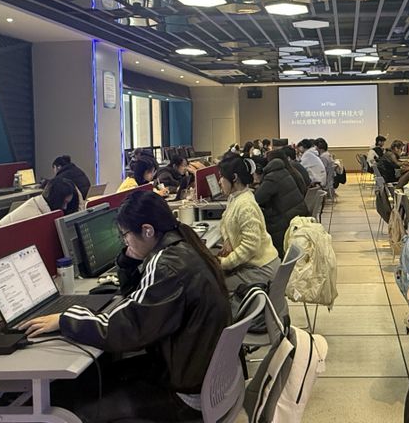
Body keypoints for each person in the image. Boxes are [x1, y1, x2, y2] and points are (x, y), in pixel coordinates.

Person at [19, 191, 231, 420]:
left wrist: (65, 319)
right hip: (196, 377)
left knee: (72, 408)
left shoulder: (168, 265)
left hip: (184, 396)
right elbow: (140, 301)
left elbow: (127, 327)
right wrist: (128, 262)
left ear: (147, 230)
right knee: (92, 378)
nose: (125, 242)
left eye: (125, 235)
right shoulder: (184, 246)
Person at [217, 156, 280, 297]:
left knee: (213, 285)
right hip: (254, 265)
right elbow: (224, 220)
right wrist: (227, 240)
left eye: (222, 177)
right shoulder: (235, 197)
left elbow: (250, 246)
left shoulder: (245, 205)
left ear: (234, 178)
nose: (219, 181)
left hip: (261, 269)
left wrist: (224, 263)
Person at [255, 149, 309, 255]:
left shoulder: (273, 177)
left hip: (285, 222)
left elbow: (257, 199)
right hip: (296, 216)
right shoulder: (286, 171)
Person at [0, 178, 81, 227]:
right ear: (55, 199)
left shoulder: (39, 205)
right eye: (64, 203)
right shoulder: (34, 218)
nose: (65, 207)